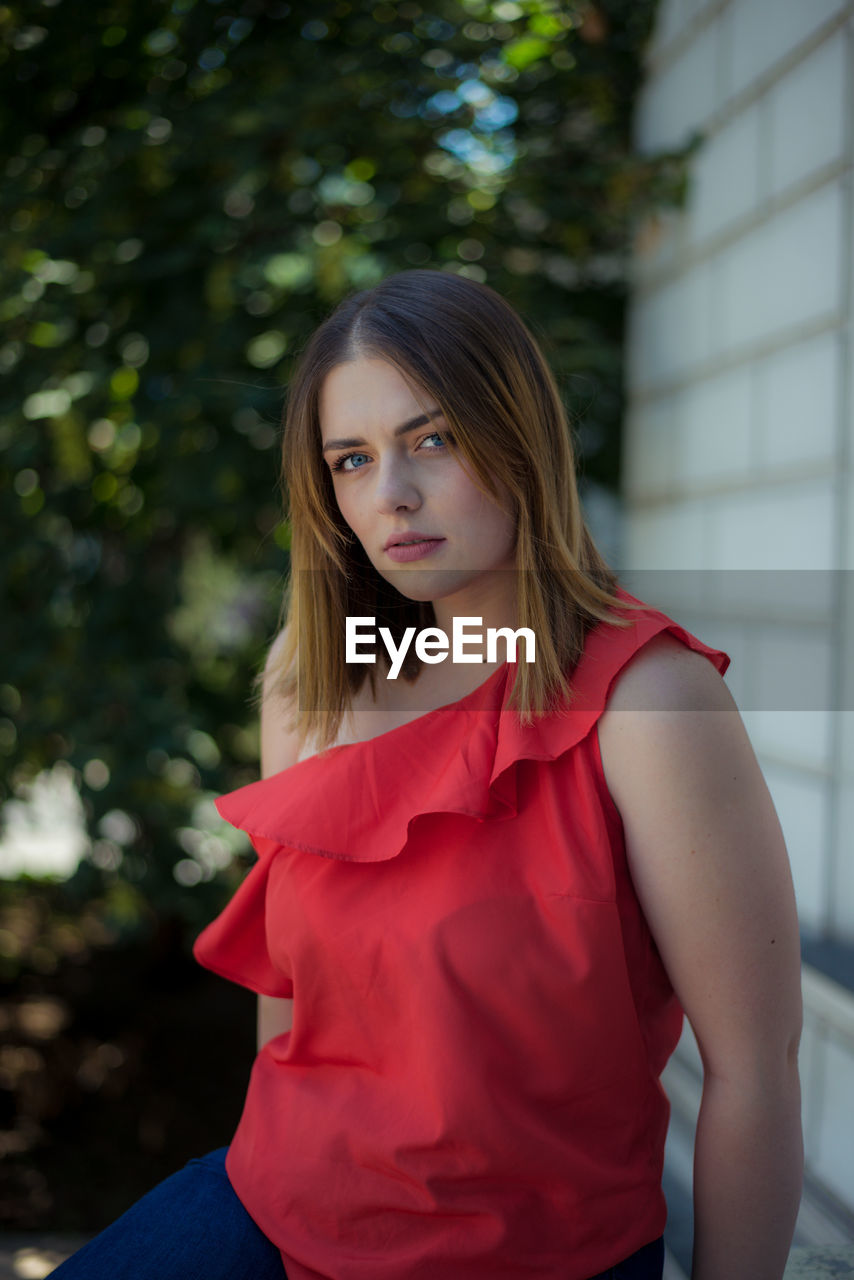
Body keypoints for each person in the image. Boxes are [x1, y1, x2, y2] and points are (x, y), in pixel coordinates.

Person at [50, 270, 803, 1280]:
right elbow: (288, 1022)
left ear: (516, 438)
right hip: (272, 1210)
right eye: (350, 460)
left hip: (525, 1253)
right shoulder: (310, 681)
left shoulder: (645, 702)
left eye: (431, 439)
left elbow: (752, 1071)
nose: (390, 494)